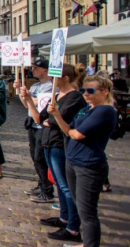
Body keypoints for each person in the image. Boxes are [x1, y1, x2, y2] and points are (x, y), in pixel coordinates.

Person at [47, 75, 117, 247]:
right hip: (73, 160)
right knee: (79, 206)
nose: (86, 94)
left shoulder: (105, 111)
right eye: (83, 90)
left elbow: (77, 134)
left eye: (90, 90)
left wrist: (73, 132)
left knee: (87, 212)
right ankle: (86, 242)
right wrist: (56, 115)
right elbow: (68, 130)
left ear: (105, 91)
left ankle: (90, 244)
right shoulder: (87, 109)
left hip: (89, 165)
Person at [33, 63, 87, 243]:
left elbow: (58, 121)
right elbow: (41, 117)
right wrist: (26, 100)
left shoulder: (75, 97)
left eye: (55, 76)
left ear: (65, 78)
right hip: (48, 142)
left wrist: (53, 117)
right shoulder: (57, 94)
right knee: (58, 183)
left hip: (60, 144)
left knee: (66, 186)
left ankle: (73, 227)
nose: (51, 79)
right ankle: (64, 217)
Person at [15, 58, 55, 203]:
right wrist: (20, 92)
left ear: (45, 70)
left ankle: (47, 190)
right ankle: (41, 184)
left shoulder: (52, 86)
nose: (33, 70)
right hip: (32, 123)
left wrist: (29, 98)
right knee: (34, 156)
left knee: (40, 157)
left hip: (42, 125)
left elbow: (39, 103)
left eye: (36, 68)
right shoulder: (35, 86)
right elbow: (26, 105)